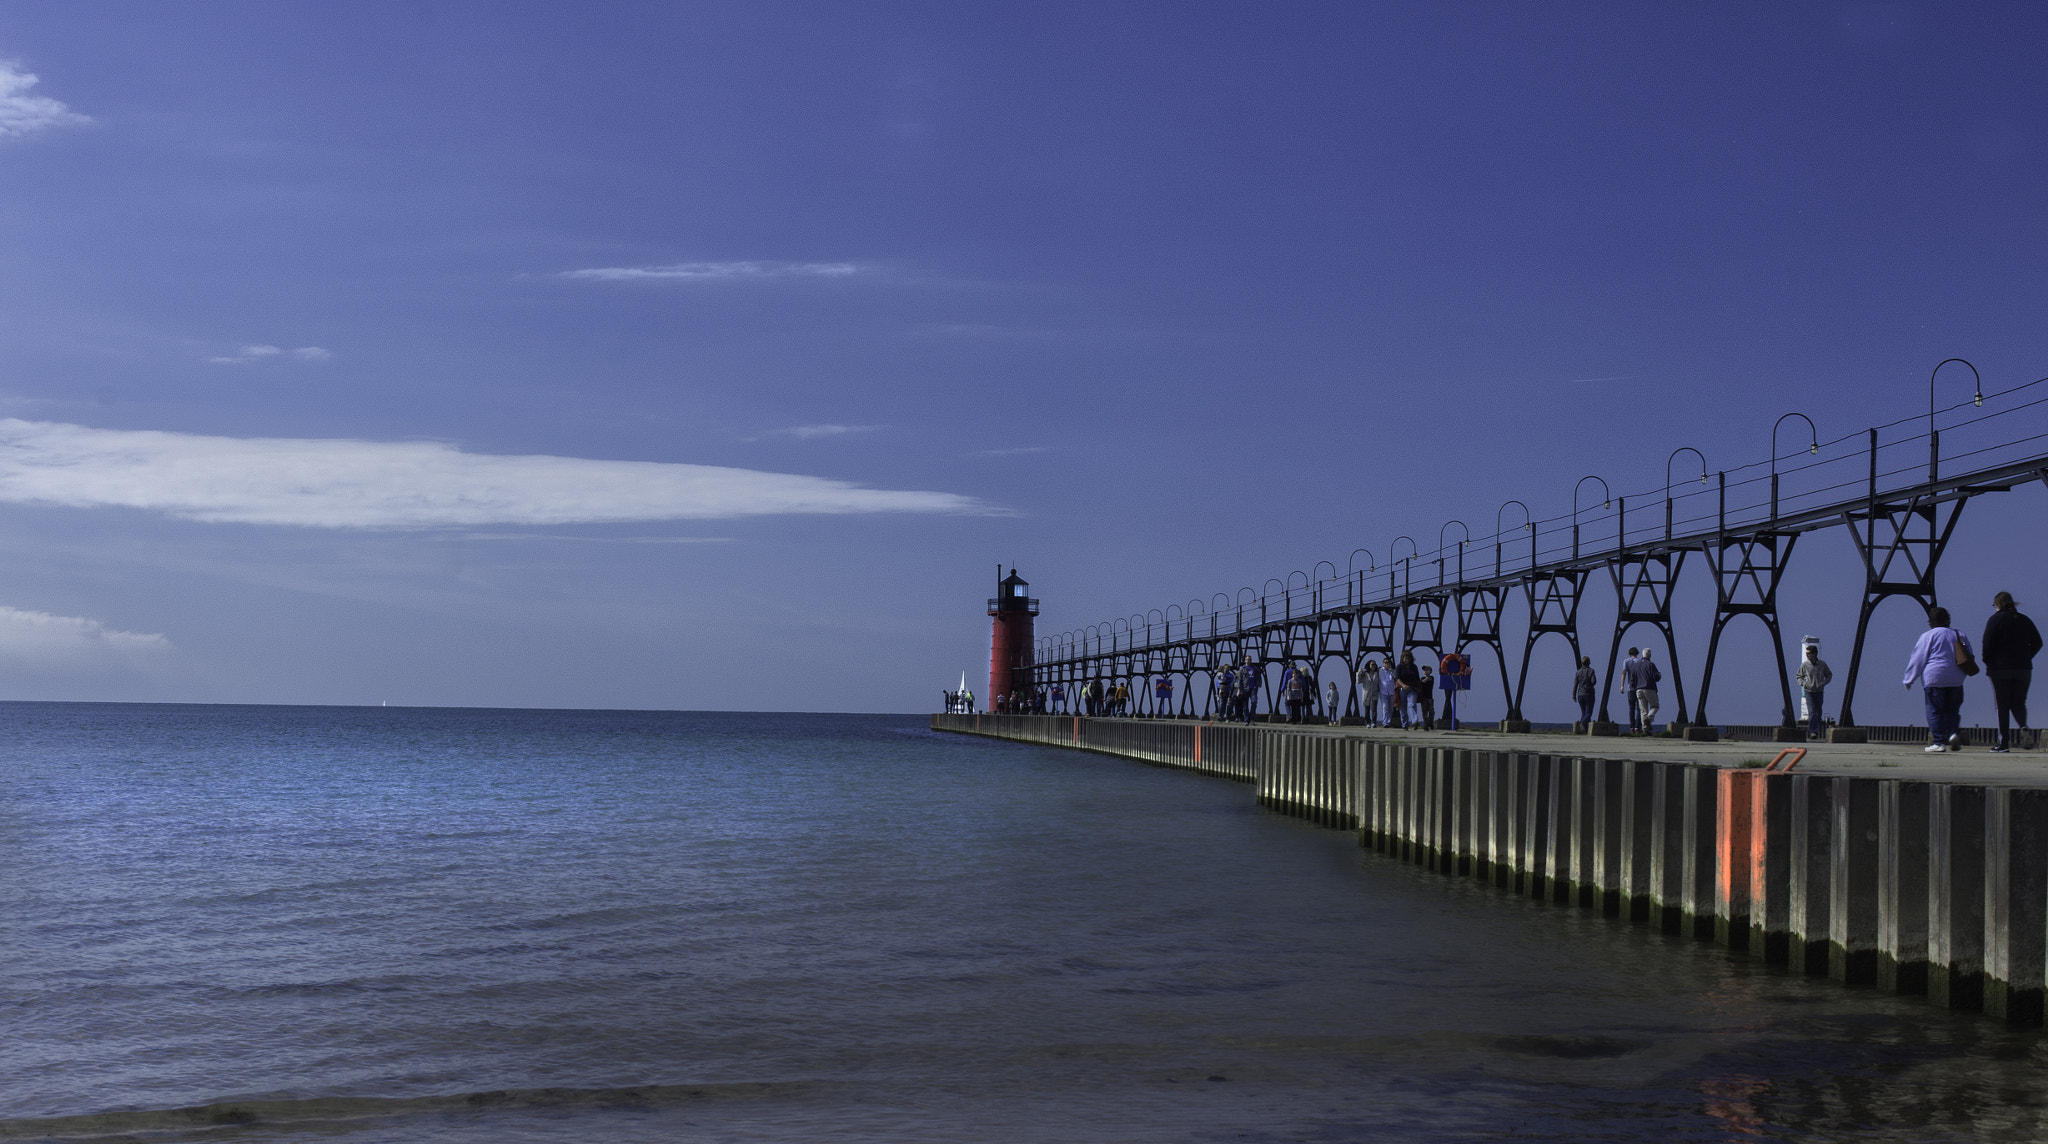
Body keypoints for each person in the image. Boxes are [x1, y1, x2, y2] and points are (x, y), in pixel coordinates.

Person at [1903, 606, 1973, 752]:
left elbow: (1918, 658)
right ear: (1948, 619)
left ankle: (1939, 742)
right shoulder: (1958, 634)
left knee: (1934, 710)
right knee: (1953, 710)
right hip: (1956, 678)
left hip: (1934, 678)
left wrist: (1909, 679)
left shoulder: (1927, 636)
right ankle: (1953, 733)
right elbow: (1969, 654)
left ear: (1931, 621)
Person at [1983, 591, 2042, 753]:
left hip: (2000, 669)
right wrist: (2026, 657)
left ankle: (2004, 743)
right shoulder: (2024, 620)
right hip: (2023, 669)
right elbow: (2038, 642)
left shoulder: (1995, 620)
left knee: (2002, 705)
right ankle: (2023, 726)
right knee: (2019, 703)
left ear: (1998, 605)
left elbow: (1987, 644)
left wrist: (1988, 661)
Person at [1795, 641, 1833, 741]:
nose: (1807, 655)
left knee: (1818, 712)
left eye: (1808, 653)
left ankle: (1817, 728)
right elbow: (1799, 676)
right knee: (1812, 712)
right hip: (1809, 691)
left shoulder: (1822, 664)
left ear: (1814, 654)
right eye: (1806, 653)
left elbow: (1829, 675)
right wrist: (1803, 684)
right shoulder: (1805, 665)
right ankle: (1813, 731)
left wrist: (1823, 683)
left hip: (1819, 691)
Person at [1439, 651, 1470, 730]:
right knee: (1449, 698)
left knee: (1450, 699)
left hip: (1456, 674)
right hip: (1450, 675)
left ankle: (1449, 720)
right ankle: (1449, 720)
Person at [1635, 649, 1662, 733]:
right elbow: (1655, 677)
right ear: (1649, 655)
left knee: (1643, 710)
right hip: (1649, 688)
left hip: (1638, 689)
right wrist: (1659, 675)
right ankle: (1649, 718)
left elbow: (1633, 677)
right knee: (1655, 706)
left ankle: (1645, 729)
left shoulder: (1636, 665)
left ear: (1642, 655)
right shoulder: (1650, 664)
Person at [1393, 651, 1423, 729]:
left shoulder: (1414, 667)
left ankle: (1414, 721)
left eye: (1408, 658)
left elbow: (1417, 678)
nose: (1407, 660)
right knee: (1403, 707)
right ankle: (1405, 724)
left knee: (1412, 704)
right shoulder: (1399, 666)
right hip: (1402, 688)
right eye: (1405, 658)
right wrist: (1403, 685)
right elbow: (1397, 678)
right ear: (1402, 659)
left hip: (1412, 688)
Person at [1618, 648, 1642, 732]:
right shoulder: (1640, 661)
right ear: (1637, 653)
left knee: (1631, 708)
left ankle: (1631, 726)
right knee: (1639, 708)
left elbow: (1624, 673)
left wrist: (1622, 686)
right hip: (1639, 687)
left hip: (1630, 687)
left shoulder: (1626, 661)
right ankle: (1637, 726)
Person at [1572, 656, 1597, 727]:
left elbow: (1575, 685)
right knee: (1589, 712)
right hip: (1589, 694)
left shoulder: (1578, 672)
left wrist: (1574, 695)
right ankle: (1582, 723)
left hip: (1580, 694)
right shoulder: (1591, 671)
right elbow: (1594, 681)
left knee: (1583, 712)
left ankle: (1584, 729)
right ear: (1589, 662)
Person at [1357, 660, 1380, 726]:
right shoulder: (1365, 674)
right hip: (1366, 693)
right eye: (1372, 664)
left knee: (1374, 709)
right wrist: (1358, 674)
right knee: (1367, 710)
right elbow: (1358, 682)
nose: (1373, 666)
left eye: (1374, 664)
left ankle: (1374, 722)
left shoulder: (1377, 673)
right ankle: (1368, 722)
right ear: (1369, 665)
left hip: (1374, 692)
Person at [1379, 658, 1400, 727]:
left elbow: (1396, 678)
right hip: (1383, 692)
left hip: (1391, 692)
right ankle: (1385, 723)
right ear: (1383, 663)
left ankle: (1389, 721)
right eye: (1386, 662)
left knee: (1391, 708)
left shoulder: (1392, 671)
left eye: (1388, 663)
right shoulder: (1380, 671)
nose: (1387, 664)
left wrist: (1391, 670)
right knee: (1385, 707)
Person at [1417, 663, 1437, 729]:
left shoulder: (1431, 678)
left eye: (1427, 670)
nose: (1425, 671)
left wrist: (1423, 681)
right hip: (1423, 697)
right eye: (1424, 670)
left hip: (1429, 698)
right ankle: (1426, 724)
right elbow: (1421, 683)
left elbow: (1426, 680)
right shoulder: (1422, 678)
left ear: (1430, 671)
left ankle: (1431, 723)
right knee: (1424, 712)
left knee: (1431, 712)